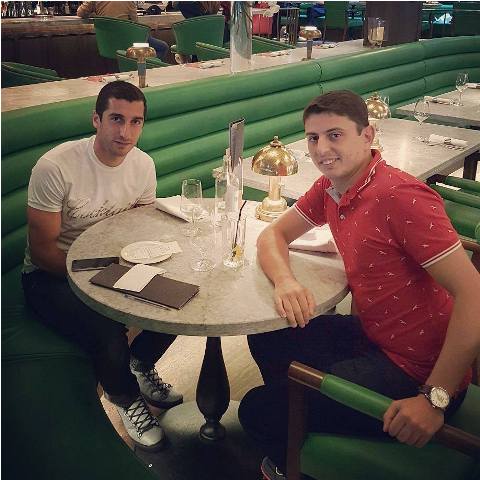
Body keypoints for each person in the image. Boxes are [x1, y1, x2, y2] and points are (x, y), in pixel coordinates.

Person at [238, 90, 480, 479]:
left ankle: (295, 445)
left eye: (335, 135)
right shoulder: (333, 187)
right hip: (375, 336)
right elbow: (273, 235)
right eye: (313, 138)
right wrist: (285, 282)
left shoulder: (400, 197)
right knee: (267, 334)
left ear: (367, 135)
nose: (321, 149)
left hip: (420, 374)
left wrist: (434, 399)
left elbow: (474, 293)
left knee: (256, 410)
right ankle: (301, 425)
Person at [22, 81, 182, 452]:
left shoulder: (142, 164)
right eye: (116, 119)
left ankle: (140, 363)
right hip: (50, 275)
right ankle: (124, 397)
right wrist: (100, 283)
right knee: (107, 329)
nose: (126, 132)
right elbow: (42, 251)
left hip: (113, 267)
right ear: (96, 119)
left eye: (136, 122)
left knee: (179, 297)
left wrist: (143, 266)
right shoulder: (55, 167)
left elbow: (139, 229)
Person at [77, 1, 170, 61]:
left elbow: (80, 13)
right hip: (127, 42)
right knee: (163, 47)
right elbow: (135, 22)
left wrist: (95, 14)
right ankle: (140, 66)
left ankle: (136, 65)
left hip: (106, 43)